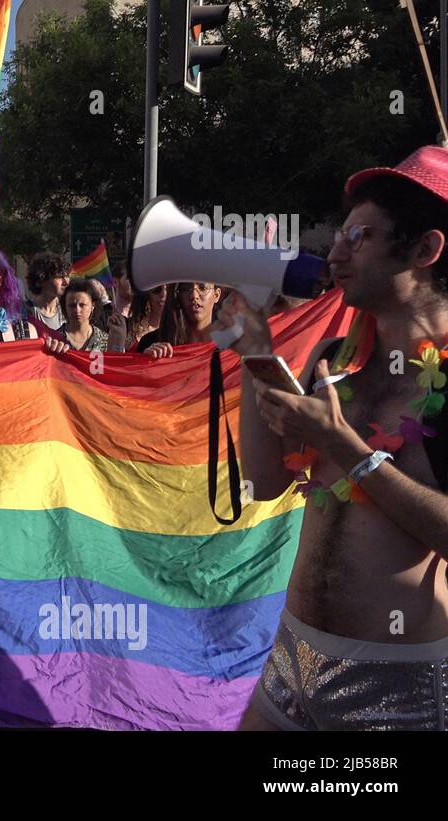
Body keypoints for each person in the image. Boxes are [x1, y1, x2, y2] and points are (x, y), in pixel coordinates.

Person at [224, 146, 448, 731]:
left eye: (359, 235)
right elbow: (262, 482)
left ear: (426, 250)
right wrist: (254, 339)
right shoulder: (335, 362)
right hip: (294, 659)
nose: (336, 249)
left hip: (398, 685)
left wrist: (349, 451)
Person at [137, 282, 223, 358]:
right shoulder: (152, 342)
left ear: (216, 295)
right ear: (178, 295)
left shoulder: (230, 346)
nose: (194, 295)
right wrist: (146, 361)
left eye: (202, 288)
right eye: (185, 289)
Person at [25, 252, 70, 336]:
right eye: (59, 277)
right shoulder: (25, 312)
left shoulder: (69, 311)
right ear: (41, 280)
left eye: (66, 276)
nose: (65, 282)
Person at [61, 278, 110, 352]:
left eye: (82, 305)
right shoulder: (55, 339)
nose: (77, 310)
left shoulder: (105, 341)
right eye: (72, 305)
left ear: (92, 306)